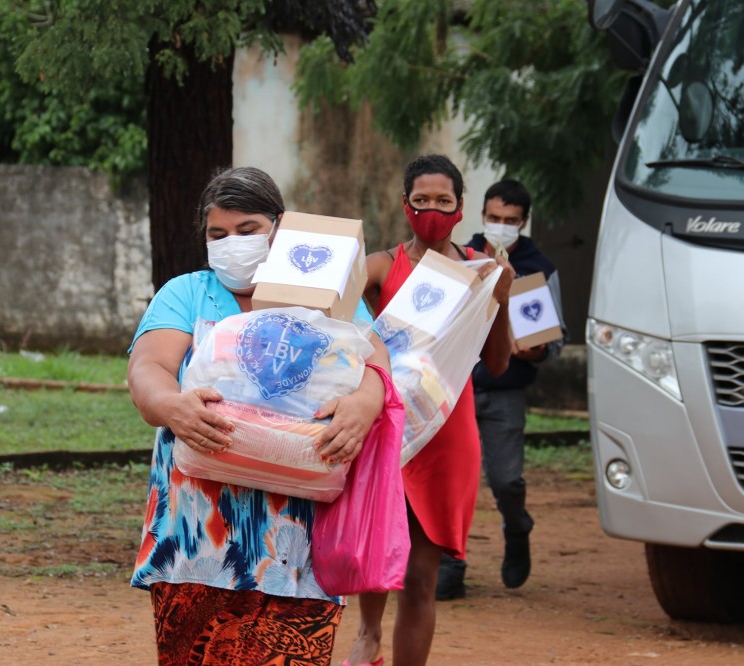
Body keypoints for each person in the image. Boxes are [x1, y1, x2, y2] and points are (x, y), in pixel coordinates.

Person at [126, 166, 391, 665]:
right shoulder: (187, 293)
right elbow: (148, 369)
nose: (233, 243)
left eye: (247, 230)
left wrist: (363, 404)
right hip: (195, 542)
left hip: (296, 545)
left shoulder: (323, 293)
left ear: (279, 228)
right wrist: (171, 405)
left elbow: (377, 364)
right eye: (217, 234)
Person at [346, 154, 513, 666]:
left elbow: (498, 364)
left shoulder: (478, 274)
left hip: (445, 433)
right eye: (422, 201)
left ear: (460, 208)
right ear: (405, 205)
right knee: (376, 551)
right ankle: (368, 634)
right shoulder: (381, 265)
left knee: (421, 579)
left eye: (444, 201)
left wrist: (501, 298)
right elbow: (334, 301)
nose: (433, 210)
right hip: (388, 423)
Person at [436, 179, 568, 600]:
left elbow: (553, 343)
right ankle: (450, 564)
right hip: (453, 388)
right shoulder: (459, 259)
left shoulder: (537, 268)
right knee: (453, 480)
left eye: (511, 221)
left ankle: (517, 526)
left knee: (506, 480)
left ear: (524, 222)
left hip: (505, 390)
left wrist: (536, 350)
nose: (501, 226)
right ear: (482, 216)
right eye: (494, 218)